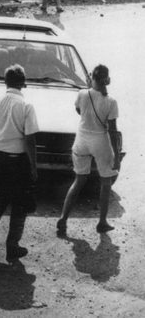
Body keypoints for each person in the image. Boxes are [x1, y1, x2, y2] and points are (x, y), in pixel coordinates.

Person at [0, 64, 39, 264]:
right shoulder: (26, 106)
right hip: (18, 160)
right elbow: (30, 140)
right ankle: (12, 246)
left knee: (1, 198)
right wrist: (33, 166)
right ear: (23, 83)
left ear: (5, 81)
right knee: (20, 204)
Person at [57, 65, 120, 236]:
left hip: (82, 140)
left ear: (92, 77)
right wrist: (116, 155)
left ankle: (63, 218)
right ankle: (102, 222)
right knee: (105, 183)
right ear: (107, 80)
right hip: (100, 141)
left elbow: (79, 110)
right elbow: (112, 131)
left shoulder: (82, 94)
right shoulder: (111, 101)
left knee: (78, 181)